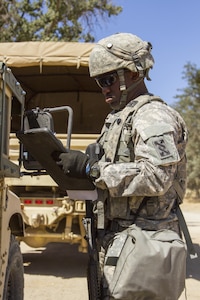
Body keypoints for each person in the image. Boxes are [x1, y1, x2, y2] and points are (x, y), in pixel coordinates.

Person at [58, 33, 188, 299]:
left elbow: (157, 176)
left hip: (144, 245)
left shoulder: (152, 116)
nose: (104, 88)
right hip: (119, 241)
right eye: (99, 82)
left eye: (108, 79)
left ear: (133, 73)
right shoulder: (119, 118)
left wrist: (93, 170)